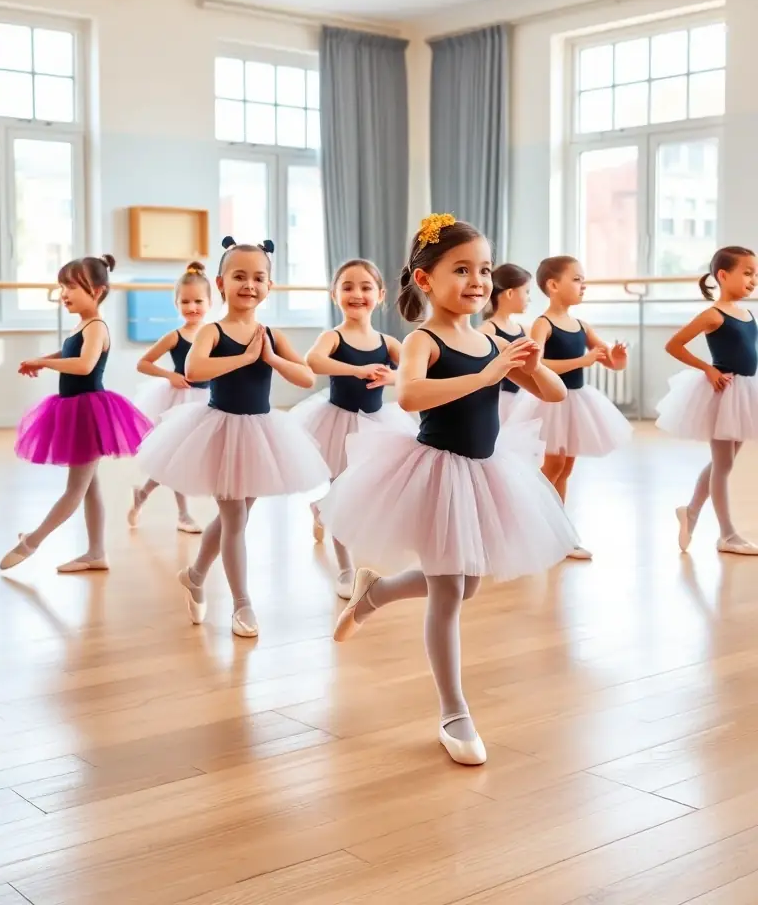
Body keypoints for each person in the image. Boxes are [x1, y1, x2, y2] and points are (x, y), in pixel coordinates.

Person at [319, 214, 576, 766]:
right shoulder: (422, 339)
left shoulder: (490, 337)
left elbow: (552, 394)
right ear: (425, 279)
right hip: (435, 474)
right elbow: (410, 396)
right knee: (446, 595)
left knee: (468, 587)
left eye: (483, 269)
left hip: (486, 473)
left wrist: (529, 363)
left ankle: (376, 594)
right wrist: (488, 376)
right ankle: (453, 710)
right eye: (461, 269)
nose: (477, 280)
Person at [136, 237, 329, 637]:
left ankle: (194, 574)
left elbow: (308, 376)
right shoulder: (211, 330)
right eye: (239, 276)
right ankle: (242, 604)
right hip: (220, 430)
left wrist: (272, 358)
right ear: (221, 283)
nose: (249, 284)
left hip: (261, 434)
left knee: (233, 520)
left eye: (259, 277)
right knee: (234, 519)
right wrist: (243, 358)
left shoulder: (272, 335)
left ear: (269, 286)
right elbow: (195, 369)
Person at [0, 255, 152, 573]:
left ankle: (32, 541)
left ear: (96, 291)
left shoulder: (96, 326)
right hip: (76, 408)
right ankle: (96, 552)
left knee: (75, 489)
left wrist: (43, 363)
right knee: (88, 485)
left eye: (70, 286)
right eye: (62, 287)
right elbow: (70, 351)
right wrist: (41, 358)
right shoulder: (82, 324)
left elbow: (83, 364)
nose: (64, 294)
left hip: (88, 411)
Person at [294, 258, 416, 598]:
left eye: (365, 287)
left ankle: (320, 508)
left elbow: (414, 372)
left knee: (368, 488)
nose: (356, 294)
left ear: (380, 295)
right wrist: (355, 370)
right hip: (338, 422)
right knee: (342, 490)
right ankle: (345, 567)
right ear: (335, 295)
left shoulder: (388, 342)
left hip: (378, 425)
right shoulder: (333, 337)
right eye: (347, 287)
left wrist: (391, 376)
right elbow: (314, 361)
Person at [508, 255, 632, 560]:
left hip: (577, 402)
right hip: (552, 403)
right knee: (552, 467)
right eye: (576, 279)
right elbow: (533, 364)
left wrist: (617, 356)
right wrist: (581, 361)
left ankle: (559, 534)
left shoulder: (582, 325)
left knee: (565, 468)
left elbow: (611, 362)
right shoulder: (542, 324)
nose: (583, 285)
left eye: (583, 279)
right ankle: (531, 526)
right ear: (553, 285)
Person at [656, 245, 758, 555]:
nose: (753, 280)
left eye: (755, 274)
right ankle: (727, 534)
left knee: (722, 463)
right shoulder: (713, 314)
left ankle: (690, 512)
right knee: (723, 465)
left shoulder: (748, 312)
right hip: (722, 393)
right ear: (723, 276)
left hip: (745, 392)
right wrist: (707, 369)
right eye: (747, 273)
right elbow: (674, 345)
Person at [129, 261, 212, 534]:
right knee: (178, 457)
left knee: (191, 458)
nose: (192, 307)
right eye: (185, 301)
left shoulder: (214, 333)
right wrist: (170, 375)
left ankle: (143, 493)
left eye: (198, 301)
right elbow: (143, 363)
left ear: (209, 302)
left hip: (209, 400)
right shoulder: (174, 336)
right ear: (176, 303)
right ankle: (183, 514)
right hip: (181, 400)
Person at [478, 263, 531, 424]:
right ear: (509, 293)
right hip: (501, 401)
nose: (530, 298)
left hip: (523, 398)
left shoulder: (525, 329)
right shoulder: (487, 331)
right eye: (527, 292)